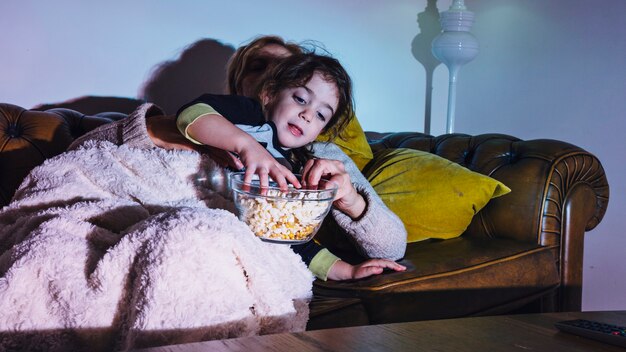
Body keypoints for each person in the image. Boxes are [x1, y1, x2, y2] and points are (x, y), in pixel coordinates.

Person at [69, 36, 407, 282]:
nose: (306, 114)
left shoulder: (313, 160)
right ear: (262, 92)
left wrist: (349, 212)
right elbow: (90, 156)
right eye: (261, 68)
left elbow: (285, 240)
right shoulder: (220, 122)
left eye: (320, 113)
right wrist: (241, 143)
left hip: (241, 248)